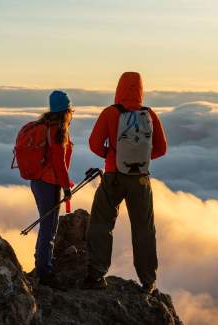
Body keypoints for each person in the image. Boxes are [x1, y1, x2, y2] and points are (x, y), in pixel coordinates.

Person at [82, 72, 167, 294]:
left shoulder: (110, 113)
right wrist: (140, 161)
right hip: (140, 179)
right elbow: (161, 148)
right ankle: (148, 281)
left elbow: (94, 144)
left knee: (101, 224)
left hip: (113, 176)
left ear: (118, 88)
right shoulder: (149, 115)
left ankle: (96, 275)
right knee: (143, 229)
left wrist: (111, 156)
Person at [30, 90, 74, 288]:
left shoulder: (44, 125)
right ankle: (44, 272)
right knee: (49, 228)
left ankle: (43, 265)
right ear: (66, 111)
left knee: (46, 226)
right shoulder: (57, 130)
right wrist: (66, 188)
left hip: (38, 182)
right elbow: (59, 164)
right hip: (49, 184)